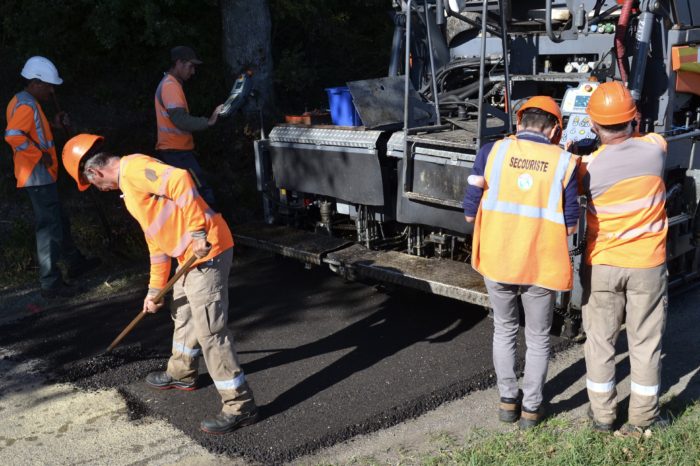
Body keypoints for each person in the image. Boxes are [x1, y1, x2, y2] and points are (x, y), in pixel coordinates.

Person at [61, 134, 258, 434]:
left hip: (207, 252)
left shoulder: (135, 170)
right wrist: (155, 288)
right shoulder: (130, 187)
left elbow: (180, 179)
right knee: (182, 311)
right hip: (185, 257)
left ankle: (239, 405)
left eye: (94, 185)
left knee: (211, 333)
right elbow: (155, 239)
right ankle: (182, 372)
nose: (99, 190)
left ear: (96, 172)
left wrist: (196, 232)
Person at [463, 96, 579, 429]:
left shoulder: (492, 151)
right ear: (555, 129)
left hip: (498, 259)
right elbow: (571, 223)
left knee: (504, 329)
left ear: (519, 122)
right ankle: (531, 409)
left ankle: (506, 402)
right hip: (540, 264)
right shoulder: (565, 161)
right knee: (539, 337)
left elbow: (470, 207)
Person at [577, 82, 668, 434]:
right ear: (634, 119)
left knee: (600, 341)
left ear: (594, 125)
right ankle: (644, 418)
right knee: (645, 341)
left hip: (602, 263)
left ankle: (602, 416)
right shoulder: (655, 150)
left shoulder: (588, 166)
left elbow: (578, 179)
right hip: (647, 263)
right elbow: (648, 136)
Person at [4, 56, 99, 299]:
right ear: (35, 83)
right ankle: (51, 282)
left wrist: (54, 125)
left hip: (40, 175)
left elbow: (33, 132)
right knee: (49, 227)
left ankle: (74, 263)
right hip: (36, 176)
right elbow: (13, 135)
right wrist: (39, 156)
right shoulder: (26, 105)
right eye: (48, 85)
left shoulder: (23, 101)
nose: (51, 89)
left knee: (59, 220)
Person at [154, 45, 222, 209]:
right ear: (179, 63)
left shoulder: (170, 84)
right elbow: (180, 120)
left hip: (175, 151)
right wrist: (209, 121)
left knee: (191, 193)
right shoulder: (170, 86)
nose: (193, 71)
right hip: (176, 152)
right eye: (191, 66)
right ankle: (209, 229)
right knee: (200, 192)